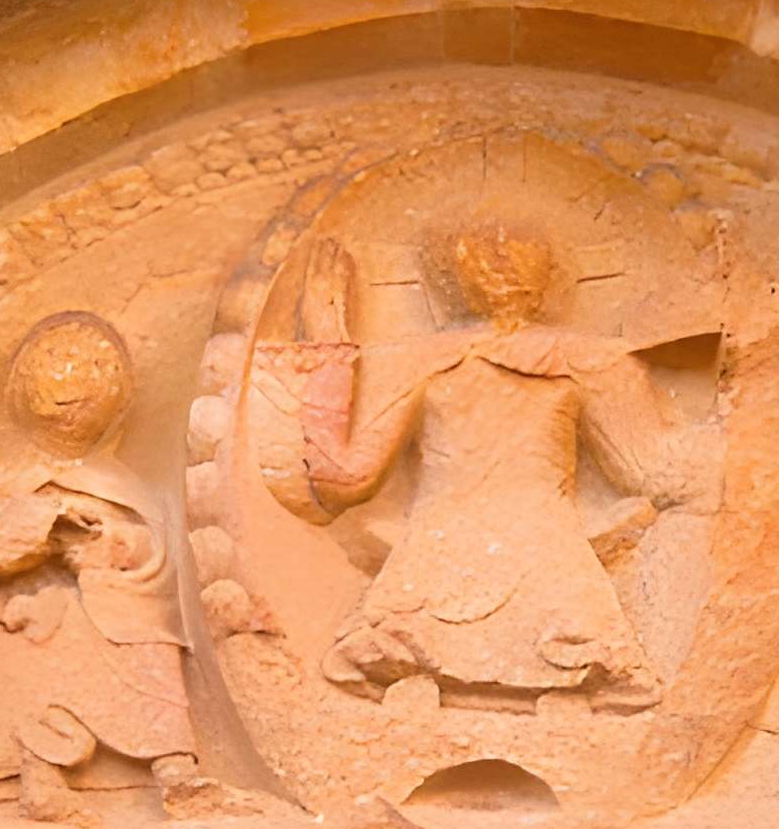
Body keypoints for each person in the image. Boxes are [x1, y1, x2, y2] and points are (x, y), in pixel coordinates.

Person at [293, 228, 713, 709]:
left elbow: (650, 471)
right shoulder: (425, 362)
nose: (501, 262)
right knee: (414, 648)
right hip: (447, 564)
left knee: (576, 652)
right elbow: (344, 478)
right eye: (486, 254)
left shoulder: (588, 361)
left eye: (516, 251)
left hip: (535, 565)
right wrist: (329, 350)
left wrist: (747, 398)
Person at [0, 311, 229, 822]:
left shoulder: (123, 484)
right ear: (21, 387)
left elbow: (159, 559)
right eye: (54, 366)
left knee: (152, 636)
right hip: (21, 619)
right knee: (67, 634)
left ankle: (175, 769)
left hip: (113, 609)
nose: (75, 386)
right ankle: (50, 774)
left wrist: (112, 543)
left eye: (99, 369)